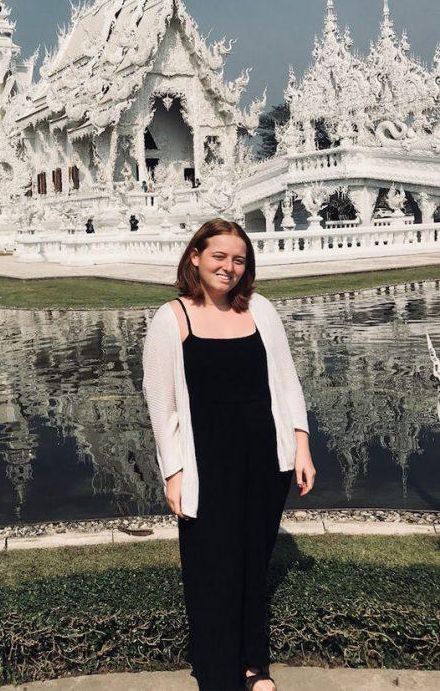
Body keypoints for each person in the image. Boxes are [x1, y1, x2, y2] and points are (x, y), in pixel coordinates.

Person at [141, 218, 315, 691]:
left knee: (252, 565)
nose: (229, 267)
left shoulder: (260, 310)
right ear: (195, 256)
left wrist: (300, 444)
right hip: (206, 465)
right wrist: (172, 472)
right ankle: (217, 672)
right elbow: (161, 404)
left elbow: (286, 380)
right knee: (211, 566)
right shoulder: (171, 317)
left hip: (263, 458)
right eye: (219, 256)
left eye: (238, 259)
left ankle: (252, 665)